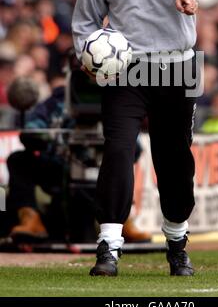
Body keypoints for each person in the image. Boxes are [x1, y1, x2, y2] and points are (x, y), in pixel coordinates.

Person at [72, 0, 203, 277]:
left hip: (178, 68)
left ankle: (177, 241)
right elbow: (84, 23)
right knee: (118, 150)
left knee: (174, 161)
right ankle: (109, 246)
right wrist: (88, 58)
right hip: (125, 70)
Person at [5, 74, 151, 245]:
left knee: (121, 164)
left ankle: (123, 221)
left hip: (102, 172)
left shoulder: (119, 98)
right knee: (18, 159)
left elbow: (136, 148)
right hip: (60, 167)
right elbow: (32, 129)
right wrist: (48, 139)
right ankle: (30, 219)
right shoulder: (58, 99)